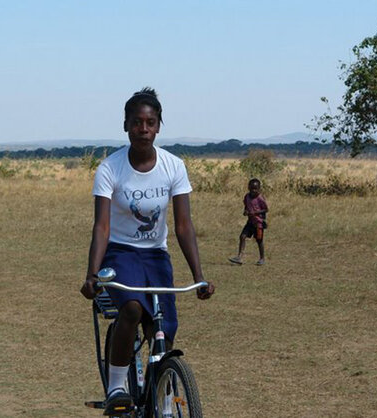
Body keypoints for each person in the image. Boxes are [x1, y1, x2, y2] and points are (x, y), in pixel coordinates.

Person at [80, 87, 215, 415]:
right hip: (119, 253)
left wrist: (199, 277)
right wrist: (91, 274)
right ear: (126, 125)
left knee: (164, 328)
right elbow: (102, 227)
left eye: (150, 122)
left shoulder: (173, 166)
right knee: (131, 310)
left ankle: (163, 398)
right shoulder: (110, 169)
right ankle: (116, 385)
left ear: (158, 126)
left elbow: (183, 225)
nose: (144, 128)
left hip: (156, 254)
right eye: (137, 122)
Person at [229, 178, 267, 266]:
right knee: (242, 236)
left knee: (259, 240)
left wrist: (255, 212)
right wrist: (246, 211)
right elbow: (246, 205)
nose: (253, 191)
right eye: (251, 189)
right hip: (250, 222)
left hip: (258, 223)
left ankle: (262, 258)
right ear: (248, 188)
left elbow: (265, 209)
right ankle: (239, 257)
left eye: (255, 189)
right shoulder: (247, 196)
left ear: (259, 189)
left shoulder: (260, 198)